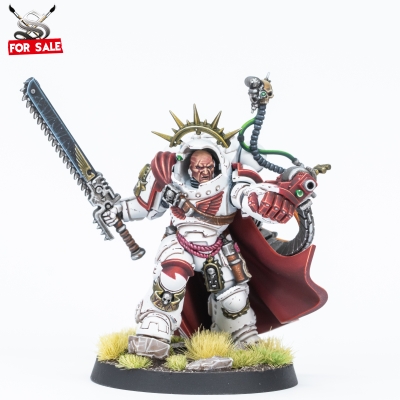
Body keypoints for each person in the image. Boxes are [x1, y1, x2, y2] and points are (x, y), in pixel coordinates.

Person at [103, 101, 327, 359]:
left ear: (218, 163)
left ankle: (240, 337)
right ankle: (153, 332)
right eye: (198, 167)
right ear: (187, 165)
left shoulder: (231, 181)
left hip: (217, 245)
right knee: (170, 280)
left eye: (209, 166)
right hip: (179, 242)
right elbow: (143, 207)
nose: (204, 171)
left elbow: (249, 196)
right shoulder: (170, 178)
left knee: (235, 297)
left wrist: (271, 202)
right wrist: (117, 210)